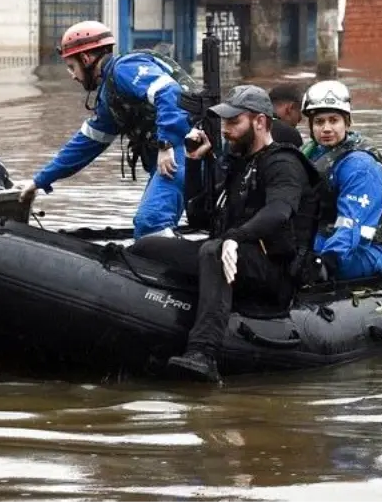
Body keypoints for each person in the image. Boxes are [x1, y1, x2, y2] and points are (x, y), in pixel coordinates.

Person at [166, 85, 320, 384]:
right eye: (224, 123)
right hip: (232, 255)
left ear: (260, 122)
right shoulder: (238, 163)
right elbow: (198, 217)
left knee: (213, 251)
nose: (226, 130)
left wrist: (235, 237)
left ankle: (203, 353)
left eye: (234, 122)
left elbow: (279, 212)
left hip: (273, 270)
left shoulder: (284, 163)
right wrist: (195, 162)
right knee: (150, 246)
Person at [18, 21, 193, 239]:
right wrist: (39, 181)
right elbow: (85, 145)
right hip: (174, 153)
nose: (72, 75)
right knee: (147, 225)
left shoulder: (124, 69)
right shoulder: (109, 97)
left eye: (72, 67)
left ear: (86, 59)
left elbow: (169, 92)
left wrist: (166, 143)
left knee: (151, 223)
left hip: (185, 149)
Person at [300, 81, 382, 280]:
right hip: (323, 236)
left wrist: (326, 262)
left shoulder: (361, 165)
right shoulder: (312, 154)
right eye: (319, 122)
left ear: (347, 122)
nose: (326, 128)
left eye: (334, 120)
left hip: (364, 250)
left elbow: (351, 224)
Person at [268, 83, 304, 147]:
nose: (300, 119)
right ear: (291, 107)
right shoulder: (290, 134)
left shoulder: (255, 125)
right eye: (299, 111)